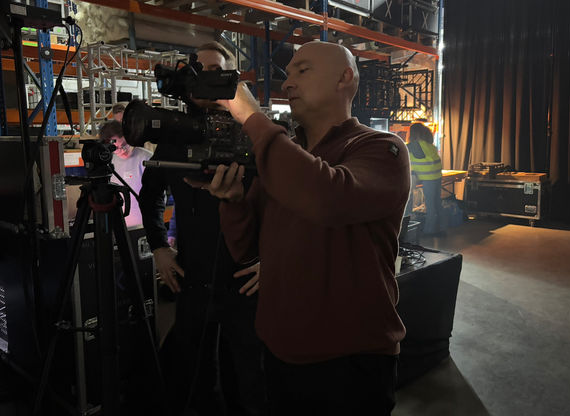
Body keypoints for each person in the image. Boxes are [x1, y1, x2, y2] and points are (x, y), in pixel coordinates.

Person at [196, 41, 411, 415]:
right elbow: (247, 250)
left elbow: (328, 196)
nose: (287, 83)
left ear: (345, 78)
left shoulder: (381, 148)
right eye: (288, 73)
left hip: (350, 359)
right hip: (280, 351)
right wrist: (234, 203)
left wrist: (252, 118)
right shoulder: (283, 155)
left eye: (303, 70)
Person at [138, 42, 266, 416]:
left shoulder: (253, 133)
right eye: (198, 70)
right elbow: (150, 194)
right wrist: (159, 247)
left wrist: (274, 259)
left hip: (245, 282)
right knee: (195, 379)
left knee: (248, 382)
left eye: (215, 71)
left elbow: (285, 203)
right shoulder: (174, 135)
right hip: (192, 279)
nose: (205, 79)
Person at [98, 119, 152, 227]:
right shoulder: (108, 162)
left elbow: (157, 196)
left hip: (144, 225)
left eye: (124, 144)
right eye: (116, 148)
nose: (122, 150)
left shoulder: (146, 158)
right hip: (118, 226)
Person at [406, 122, 442, 235]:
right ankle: (440, 229)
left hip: (428, 178)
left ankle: (428, 231)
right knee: (436, 203)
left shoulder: (413, 146)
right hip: (436, 176)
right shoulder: (430, 145)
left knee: (429, 205)